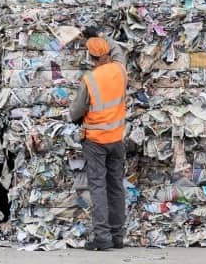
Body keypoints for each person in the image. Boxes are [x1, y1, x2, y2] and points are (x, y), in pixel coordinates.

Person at [69, 27, 127, 251]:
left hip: (95, 141)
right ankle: (117, 236)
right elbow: (117, 49)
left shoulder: (90, 79)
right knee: (116, 186)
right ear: (107, 53)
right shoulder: (120, 69)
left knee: (98, 187)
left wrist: (77, 117)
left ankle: (102, 237)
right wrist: (100, 36)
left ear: (90, 57)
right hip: (116, 139)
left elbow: (75, 112)